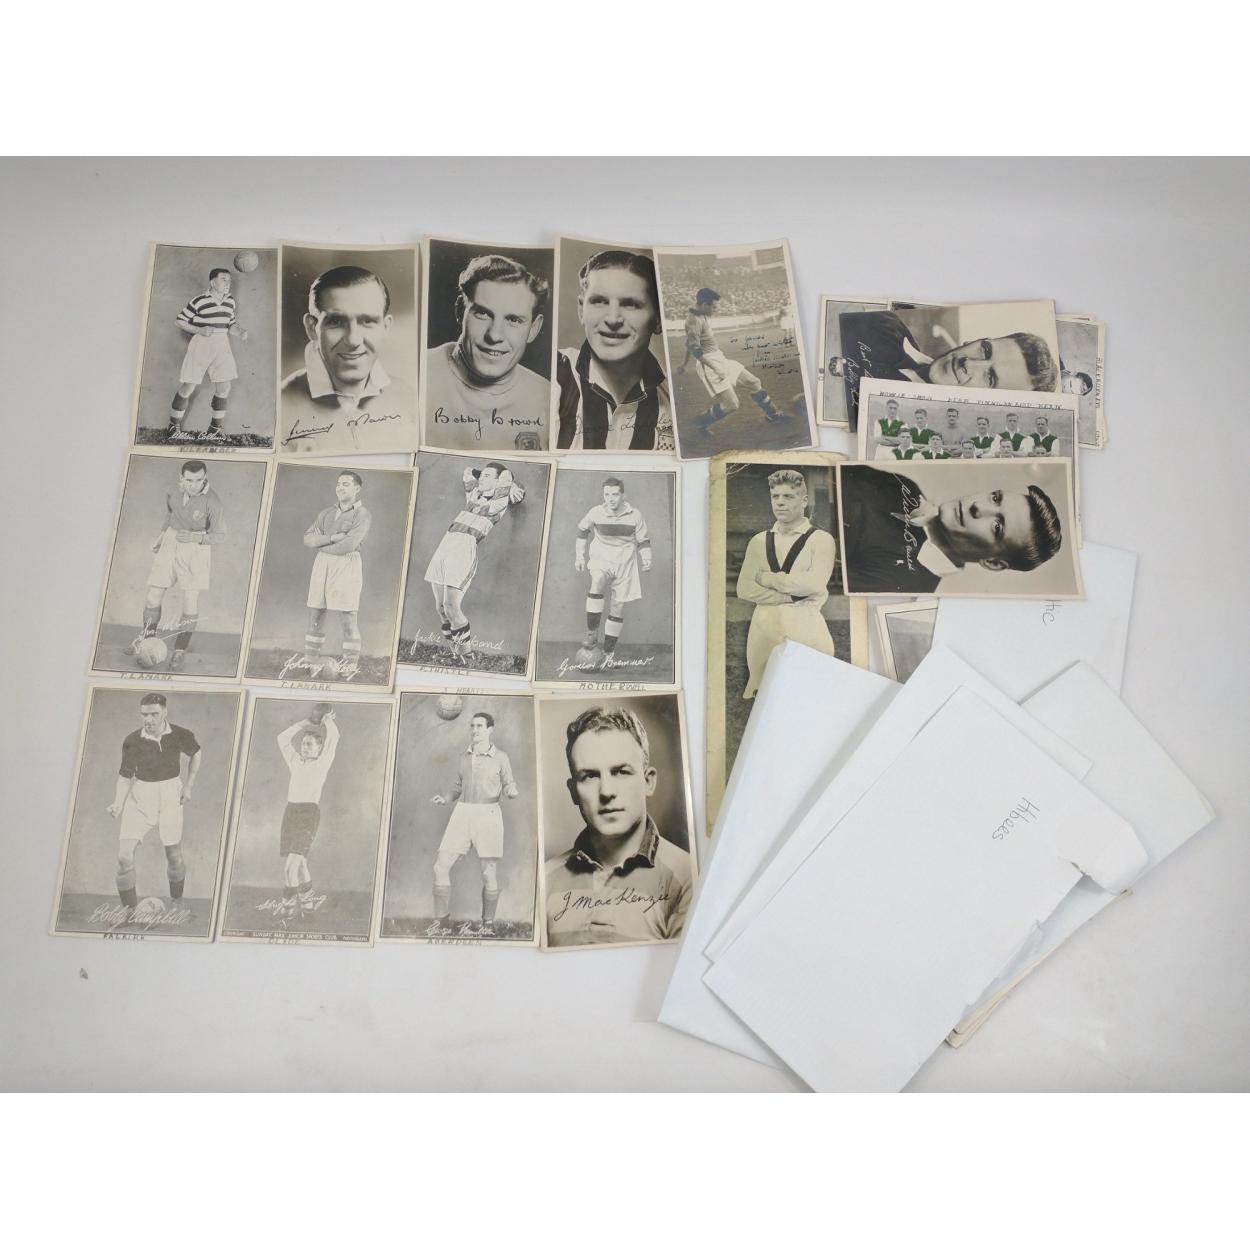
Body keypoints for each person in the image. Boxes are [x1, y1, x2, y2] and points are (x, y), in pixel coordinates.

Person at [544, 705, 692, 947]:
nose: (606, 791)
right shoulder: (545, 880)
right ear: (573, 792)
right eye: (590, 776)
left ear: (648, 781)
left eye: (621, 772)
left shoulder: (687, 877)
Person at [838, 464, 1064, 594]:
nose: (979, 507)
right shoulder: (906, 487)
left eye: (997, 526)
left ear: (992, 562)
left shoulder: (906, 583)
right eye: (995, 498)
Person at [280, 265, 416, 452]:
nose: (353, 340)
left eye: (367, 321)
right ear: (312, 328)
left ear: (385, 327)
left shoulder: (408, 399)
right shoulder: (280, 406)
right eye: (336, 322)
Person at [555, 249, 674, 451]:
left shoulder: (671, 403)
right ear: (581, 310)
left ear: (658, 320)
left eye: (630, 304)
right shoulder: (553, 376)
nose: (612, 319)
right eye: (599, 301)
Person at [424, 253, 550, 441]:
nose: (494, 335)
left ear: (534, 329)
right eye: (482, 314)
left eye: (514, 320)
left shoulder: (547, 397)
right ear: (460, 311)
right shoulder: (419, 373)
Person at [735, 469, 838, 699]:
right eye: (775, 496)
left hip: (806, 624)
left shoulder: (821, 539)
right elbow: (744, 589)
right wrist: (787, 596)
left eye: (788, 496)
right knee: (765, 699)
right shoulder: (759, 540)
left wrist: (767, 579)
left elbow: (813, 584)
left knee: (812, 695)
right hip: (764, 627)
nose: (780, 502)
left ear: (804, 500)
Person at [423, 462, 525, 665]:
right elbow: (468, 472)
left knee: (451, 606)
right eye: (482, 475)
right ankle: (455, 654)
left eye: (488, 476)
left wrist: (511, 483)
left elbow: (507, 478)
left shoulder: (499, 502)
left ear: (499, 481)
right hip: (445, 544)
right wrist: (482, 475)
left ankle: (467, 657)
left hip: (464, 549)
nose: (481, 478)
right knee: (441, 608)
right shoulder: (473, 495)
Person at [108, 692, 201, 913]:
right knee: (123, 857)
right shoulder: (132, 741)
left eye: (154, 714)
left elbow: (196, 753)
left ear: (165, 712)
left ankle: (177, 904)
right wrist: (118, 803)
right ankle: (129, 912)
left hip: (170, 795)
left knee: (174, 855)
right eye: (144, 715)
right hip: (141, 796)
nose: (148, 720)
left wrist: (188, 785)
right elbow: (125, 776)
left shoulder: (180, 734)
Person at [429, 711, 518, 933]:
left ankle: (488, 923)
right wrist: (445, 798)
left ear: (490, 730)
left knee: (488, 872)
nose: (474, 730)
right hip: (462, 812)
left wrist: (511, 791)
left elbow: (509, 783)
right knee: (440, 866)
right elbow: (457, 787)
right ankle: (441, 921)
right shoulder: (464, 757)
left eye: (479, 726)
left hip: (488, 814)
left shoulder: (501, 757)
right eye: (472, 726)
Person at [134, 459, 225, 671]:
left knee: (190, 601)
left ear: (205, 478)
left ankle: (180, 650)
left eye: (199, 480)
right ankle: (147, 642)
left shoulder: (213, 502)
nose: (194, 485)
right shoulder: (172, 491)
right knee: (153, 595)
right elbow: (170, 514)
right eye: (189, 480)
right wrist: (161, 537)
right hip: (170, 541)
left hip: (196, 547)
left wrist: (195, 538)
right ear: (181, 478)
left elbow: (220, 535)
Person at [679, 287, 786, 433]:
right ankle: (701, 422)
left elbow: (689, 343)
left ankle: (773, 416)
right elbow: (695, 350)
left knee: (754, 382)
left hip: (719, 358)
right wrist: (716, 369)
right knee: (731, 405)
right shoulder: (693, 321)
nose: (716, 310)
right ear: (704, 305)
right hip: (709, 365)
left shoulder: (701, 315)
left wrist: (683, 364)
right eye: (714, 307)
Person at [299, 471, 372, 678]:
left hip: (347, 565)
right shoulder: (326, 513)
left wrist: (321, 544)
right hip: (322, 564)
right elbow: (307, 539)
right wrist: (332, 538)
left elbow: (348, 545)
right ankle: (309, 662)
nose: (340, 487)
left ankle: (350, 668)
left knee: (348, 618)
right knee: (316, 614)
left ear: (357, 488)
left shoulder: (362, 515)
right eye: (338, 484)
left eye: (346, 484)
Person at [575, 477, 651, 669]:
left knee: (618, 606)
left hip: (625, 561)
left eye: (615, 494)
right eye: (607, 494)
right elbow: (582, 531)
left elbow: (643, 540)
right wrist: (579, 557)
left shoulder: (635, 515)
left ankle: (608, 653)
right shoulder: (596, 512)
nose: (610, 498)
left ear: (623, 495)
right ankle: (592, 632)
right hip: (601, 556)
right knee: (598, 579)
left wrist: (646, 558)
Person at [168, 268, 248, 442]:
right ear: (212, 282)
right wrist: (199, 330)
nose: (228, 283)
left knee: (224, 387)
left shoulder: (230, 301)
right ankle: (173, 427)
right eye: (223, 279)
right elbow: (179, 321)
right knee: (189, 386)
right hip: (202, 344)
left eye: (229, 280)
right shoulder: (199, 301)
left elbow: (231, 325)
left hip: (222, 344)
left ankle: (214, 429)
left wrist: (240, 332)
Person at [275, 706, 340, 920]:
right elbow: (282, 739)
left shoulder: (322, 763)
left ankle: (287, 911)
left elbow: (334, 738)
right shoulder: (295, 762)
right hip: (290, 813)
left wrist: (327, 720)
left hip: (308, 815)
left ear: (319, 748)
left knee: (290, 869)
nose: (304, 747)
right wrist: (303, 724)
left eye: (309, 744)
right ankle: (308, 907)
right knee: (301, 863)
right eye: (303, 743)